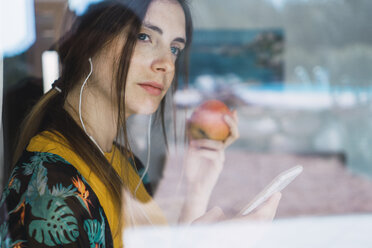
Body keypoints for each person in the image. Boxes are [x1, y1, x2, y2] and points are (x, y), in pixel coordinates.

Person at [0, 0, 281, 247]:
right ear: (90, 43)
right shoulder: (46, 187)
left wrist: (198, 187)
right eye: (144, 37)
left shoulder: (129, 164)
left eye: (174, 48)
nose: (167, 64)